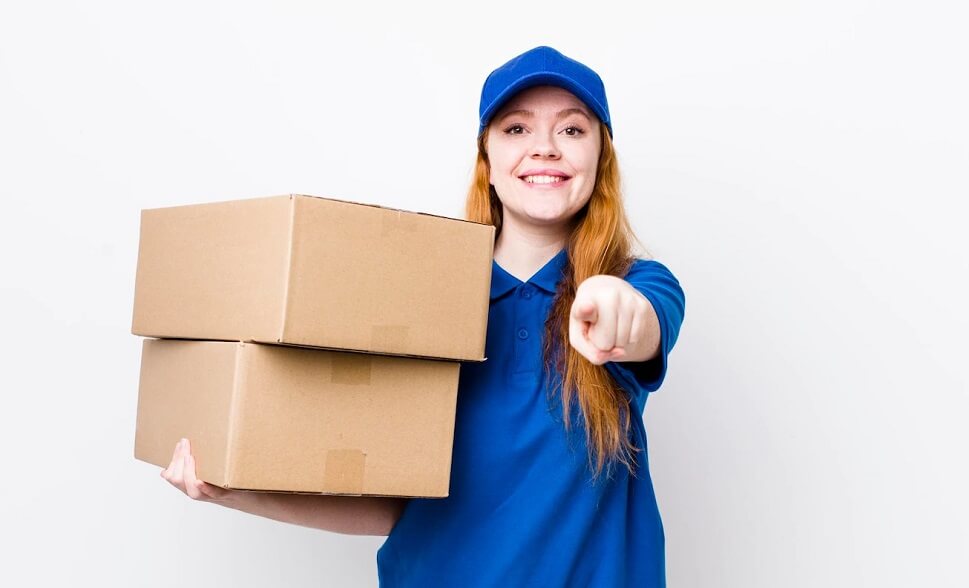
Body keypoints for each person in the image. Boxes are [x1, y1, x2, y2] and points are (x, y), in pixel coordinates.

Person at [161, 46, 685, 587]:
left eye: (572, 130)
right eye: (517, 129)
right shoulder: (423, 301)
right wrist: (235, 489)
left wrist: (611, 301)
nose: (545, 148)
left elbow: (641, 324)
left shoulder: (639, 285)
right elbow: (395, 505)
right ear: (487, 159)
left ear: (601, 158)